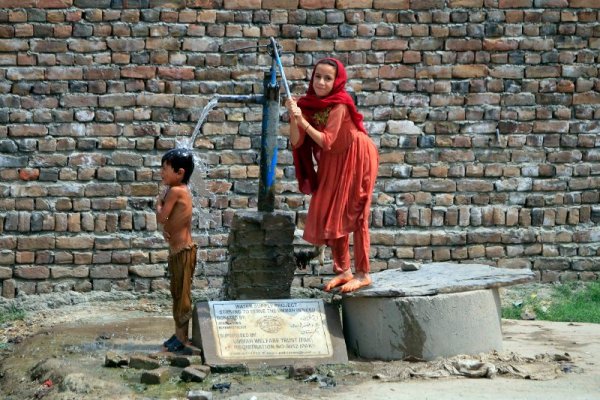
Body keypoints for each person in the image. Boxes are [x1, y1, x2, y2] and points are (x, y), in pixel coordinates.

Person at [285, 58, 379, 293]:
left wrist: (303, 121)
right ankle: (344, 270)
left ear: (337, 81)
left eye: (328, 78)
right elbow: (296, 142)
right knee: (331, 211)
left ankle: (363, 273)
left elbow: (326, 141)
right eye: (318, 76)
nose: (321, 82)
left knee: (356, 213)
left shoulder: (340, 104)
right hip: (332, 160)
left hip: (356, 155)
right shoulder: (306, 104)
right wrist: (293, 115)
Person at [155, 148, 196, 352]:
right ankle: (179, 334)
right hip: (180, 250)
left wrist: (158, 204)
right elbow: (176, 222)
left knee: (182, 296)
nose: (162, 172)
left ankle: (183, 339)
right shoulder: (181, 190)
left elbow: (162, 218)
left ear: (179, 173)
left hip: (182, 252)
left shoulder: (175, 191)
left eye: (165, 169)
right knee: (177, 293)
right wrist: (167, 231)